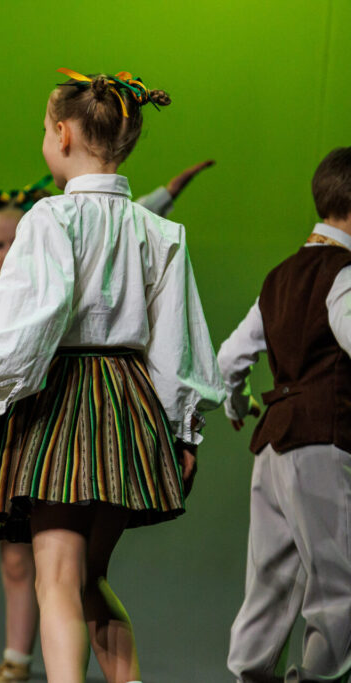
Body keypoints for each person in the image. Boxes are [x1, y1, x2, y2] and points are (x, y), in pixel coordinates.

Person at [0, 68, 223, 683]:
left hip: (64, 400)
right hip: (129, 406)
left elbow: (29, 317)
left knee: (57, 579)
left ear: (64, 135)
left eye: (45, 130)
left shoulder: (50, 219)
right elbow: (176, 342)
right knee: (91, 577)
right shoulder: (160, 230)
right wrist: (184, 433)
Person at [218, 146, 351, 683]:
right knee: (338, 584)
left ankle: (249, 676)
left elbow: (230, 359)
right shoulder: (345, 273)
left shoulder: (279, 276)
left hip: (273, 446)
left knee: (269, 584)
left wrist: (237, 402)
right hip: (324, 440)